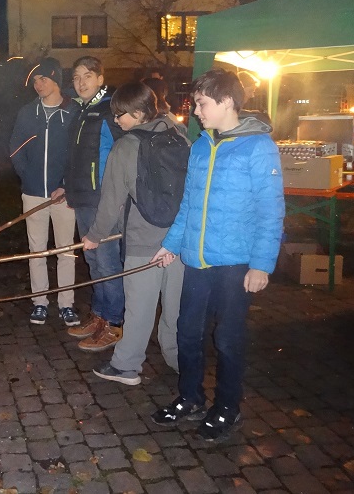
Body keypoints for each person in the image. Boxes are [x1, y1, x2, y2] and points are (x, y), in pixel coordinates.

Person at [150, 69, 284, 442]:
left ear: (226, 102)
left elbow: (270, 210)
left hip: (234, 263)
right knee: (187, 332)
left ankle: (228, 407)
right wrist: (172, 244)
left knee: (227, 338)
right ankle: (190, 397)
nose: (196, 112)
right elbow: (190, 203)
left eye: (202, 104)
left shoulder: (258, 147)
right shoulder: (200, 145)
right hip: (196, 259)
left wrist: (261, 264)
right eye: (196, 104)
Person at [82, 82, 187, 385]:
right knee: (175, 308)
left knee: (139, 307)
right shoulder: (179, 135)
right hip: (178, 240)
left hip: (144, 242)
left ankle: (127, 366)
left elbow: (111, 200)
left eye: (121, 115)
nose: (116, 120)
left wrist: (94, 236)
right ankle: (180, 361)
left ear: (139, 113)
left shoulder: (126, 146)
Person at [9, 57, 81, 326]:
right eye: (35, 80)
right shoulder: (27, 112)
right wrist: (27, 176)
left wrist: (65, 183)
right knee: (36, 251)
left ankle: (66, 304)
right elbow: (15, 147)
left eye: (43, 79)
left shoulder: (74, 112)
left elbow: (79, 153)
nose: (38, 84)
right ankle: (40, 302)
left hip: (64, 194)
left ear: (56, 80)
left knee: (65, 250)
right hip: (33, 192)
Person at [64, 56, 125, 352]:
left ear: (101, 78)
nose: (81, 82)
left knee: (108, 262)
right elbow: (77, 157)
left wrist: (115, 195)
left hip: (104, 200)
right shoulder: (80, 110)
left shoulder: (110, 110)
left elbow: (122, 155)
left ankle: (113, 323)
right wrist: (67, 186)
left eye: (87, 75)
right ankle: (99, 316)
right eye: (76, 77)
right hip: (84, 198)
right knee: (93, 261)